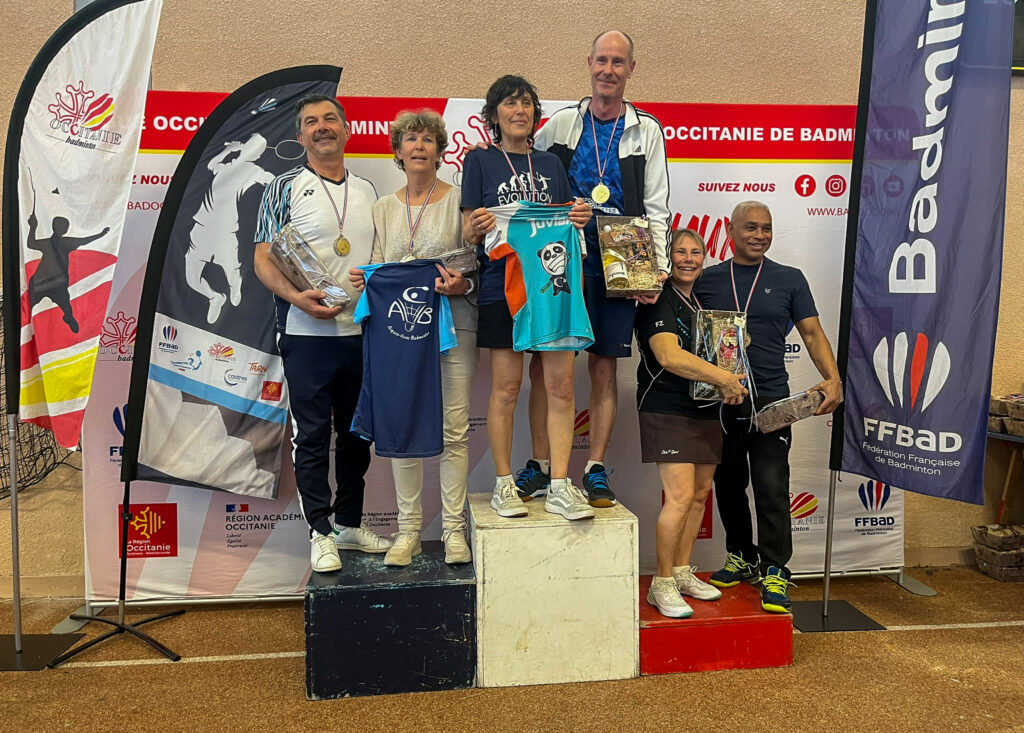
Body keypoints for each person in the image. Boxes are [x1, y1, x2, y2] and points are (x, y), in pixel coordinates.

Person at [530, 30, 671, 508]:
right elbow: (532, 184)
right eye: (602, 60)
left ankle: (594, 469)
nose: (608, 70)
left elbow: (656, 206)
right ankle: (544, 466)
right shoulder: (561, 124)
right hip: (564, 257)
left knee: (604, 366)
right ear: (588, 63)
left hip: (622, 258)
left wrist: (655, 270)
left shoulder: (646, 130)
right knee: (547, 365)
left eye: (618, 62)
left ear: (631, 69)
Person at [254, 94, 392, 574]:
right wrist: (297, 298)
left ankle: (349, 524)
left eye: (330, 118)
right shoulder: (283, 187)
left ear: (347, 129)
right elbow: (262, 259)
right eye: (311, 122)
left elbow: (381, 259)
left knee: (356, 436)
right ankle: (320, 531)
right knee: (311, 436)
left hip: (361, 333)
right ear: (300, 136)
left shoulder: (369, 190)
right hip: (305, 333)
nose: (322, 127)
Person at [694, 201, 842, 613]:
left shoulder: (789, 278)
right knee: (728, 484)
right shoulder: (706, 279)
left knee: (772, 486)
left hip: (772, 401)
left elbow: (812, 334)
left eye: (767, 228)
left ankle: (775, 568)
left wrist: (833, 378)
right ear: (730, 231)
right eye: (751, 228)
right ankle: (741, 555)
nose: (760, 235)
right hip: (721, 399)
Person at [461, 75, 595, 521]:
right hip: (501, 287)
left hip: (551, 289)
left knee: (560, 385)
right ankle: (504, 485)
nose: (519, 111)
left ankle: (559, 484)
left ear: (536, 114)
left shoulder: (551, 164)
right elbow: (467, 232)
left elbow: (567, 221)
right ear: (493, 114)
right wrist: (477, 226)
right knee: (506, 387)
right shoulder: (479, 161)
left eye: (526, 104)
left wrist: (578, 215)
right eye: (509, 104)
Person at [348, 110, 478, 567]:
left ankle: (454, 530)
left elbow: (478, 263)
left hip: (454, 327)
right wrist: (367, 280)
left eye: (427, 139)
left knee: (453, 430)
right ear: (398, 151)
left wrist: (463, 284)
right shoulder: (383, 207)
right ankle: (408, 533)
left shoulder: (460, 200)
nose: (419, 146)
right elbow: (379, 264)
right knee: (402, 425)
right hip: (400, 334)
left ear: (440, 151)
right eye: (410, 139)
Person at [635, 228, 748, 618]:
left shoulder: (701, 301)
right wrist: (724, 377)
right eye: (680, 252)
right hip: (667, 407)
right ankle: (661, 583)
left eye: (695, 252)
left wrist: (734, 355)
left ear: (704, 258)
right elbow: (668, 356)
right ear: (669, 258)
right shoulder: (658, 297)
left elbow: (714, 354)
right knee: (680, 496)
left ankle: (682, 572)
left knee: (700, 495)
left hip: (703, 408)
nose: (688, 259)